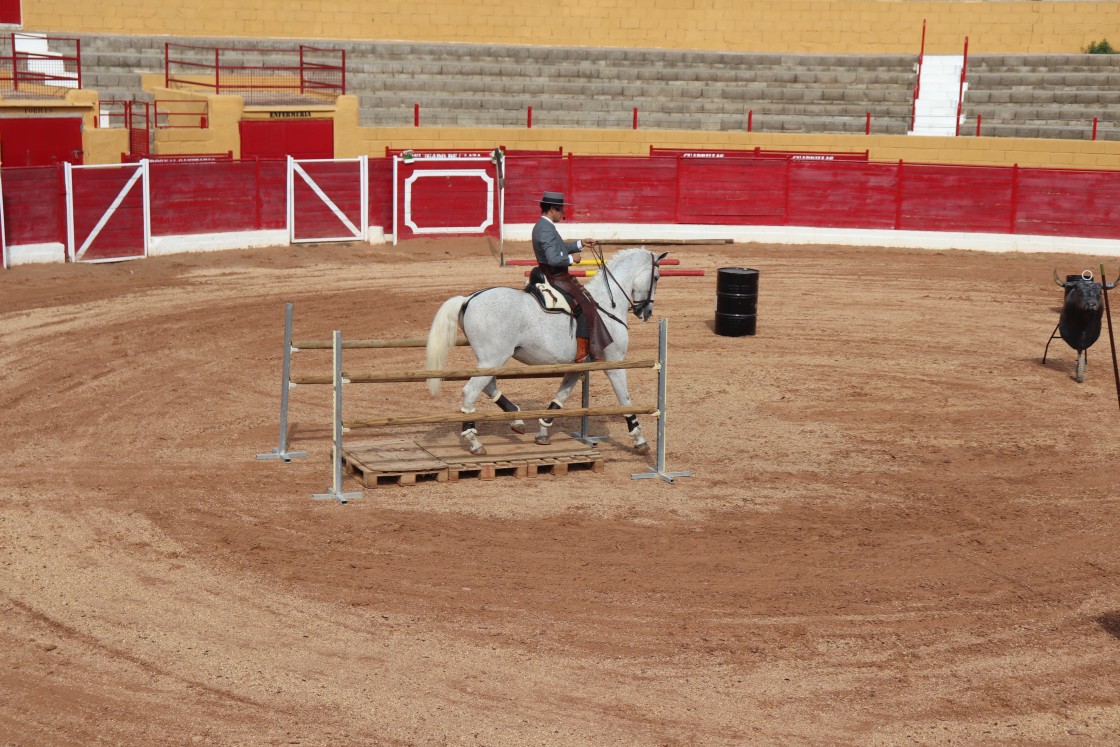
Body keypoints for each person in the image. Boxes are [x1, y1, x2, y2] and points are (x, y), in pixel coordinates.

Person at [531, 191, 614, 362]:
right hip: (556, 276)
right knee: (584, 306)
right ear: (553, 209)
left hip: (553, 273)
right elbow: (554, 259)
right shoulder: (546, 229)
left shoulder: (543, 226)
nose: (563, 214)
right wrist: (571, 259)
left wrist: (580, 244)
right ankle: (583, 352)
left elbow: (559, 248)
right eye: (561, 210)